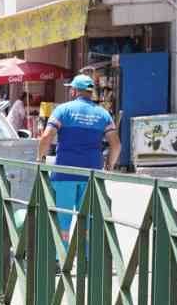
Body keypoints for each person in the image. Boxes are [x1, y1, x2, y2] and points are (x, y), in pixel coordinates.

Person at [36, 74, 120, 244]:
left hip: (64, 175)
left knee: (62, 222)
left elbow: (46, 137)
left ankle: (61, 261)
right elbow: (116, 145)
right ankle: (88, 261)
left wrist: (40, 159)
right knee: (89, 223)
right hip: (92, 176)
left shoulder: (63, 110)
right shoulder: (103, 114)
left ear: (74, 91)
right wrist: (109, 165)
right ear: (91, 92)